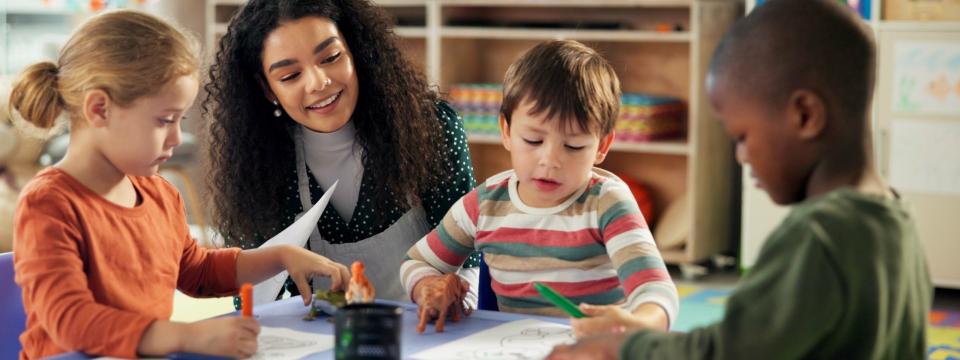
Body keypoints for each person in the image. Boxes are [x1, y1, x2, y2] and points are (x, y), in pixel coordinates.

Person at [547, 0, 932, 358]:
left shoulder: (820, 236)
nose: (740, 155)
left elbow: (724, 354)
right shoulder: (895, 218)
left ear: (804, 115)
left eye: (743, 136)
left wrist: (620, 348)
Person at [8, 10, 350, 359]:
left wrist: (279, 256)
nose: (176, 137)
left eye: (180, 119)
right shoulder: (49, 203)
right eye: (164, 120)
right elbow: (71, 321)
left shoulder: (159, 195)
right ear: (100, 109)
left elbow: (198, 272)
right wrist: (186, 336)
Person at [204, 0, 480, 303]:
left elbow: (467, 254)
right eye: (290, 76)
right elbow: (251, 294)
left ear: (354, 50)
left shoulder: (431, 128)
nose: (319, 82)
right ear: (268, 89)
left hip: (431, 332)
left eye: (331, 57)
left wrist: (455, 300)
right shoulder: (260, 167)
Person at [401, 40, 679, 337]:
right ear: (507, 132)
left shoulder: (607, 202)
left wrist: (639, 324)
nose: (550, 161)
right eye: (533, 140)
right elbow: (416, 262)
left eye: (573, 146)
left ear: (602, 146)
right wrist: (426, 287)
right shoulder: (483, 205)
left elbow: (656, 290)